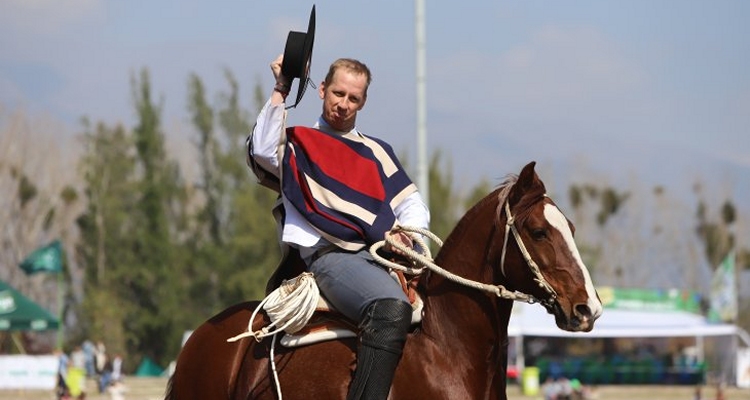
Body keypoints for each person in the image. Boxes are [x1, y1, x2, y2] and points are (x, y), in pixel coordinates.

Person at [248, 54, 430, 400]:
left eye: (353, 98)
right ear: (322, 91)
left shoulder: (377, 151)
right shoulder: (297, 144)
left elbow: (411, 202)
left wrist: (411, 237)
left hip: (384, 257)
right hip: (331, 258)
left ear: (363, 102)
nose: (343, 104)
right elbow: (261, 151)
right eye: (338, 94)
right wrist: (282, 87)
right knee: (391, 308)